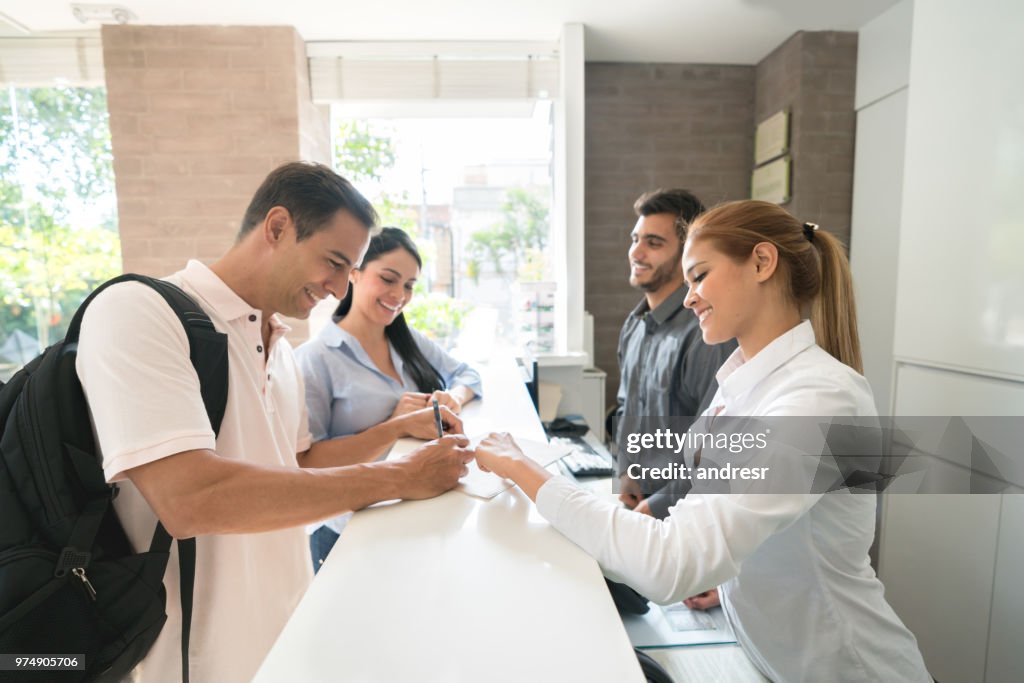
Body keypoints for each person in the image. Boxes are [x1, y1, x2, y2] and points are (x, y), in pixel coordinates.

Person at [475, 200, 932, 682]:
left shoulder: (818, 399)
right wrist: (739, 576)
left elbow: (671, 562)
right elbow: (749, 516)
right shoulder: (747, 383)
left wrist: (524, 469)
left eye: (700, 276)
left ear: (761, 262)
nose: (689, 297)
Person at [76, 162, 474, 683]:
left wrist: (396, 435)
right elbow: (189, 500)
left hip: (286, 640)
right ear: (278, 227)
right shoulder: (139, 311)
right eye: (333, 263)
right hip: (187, 659)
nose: (337, 289)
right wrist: (401, 478)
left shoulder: (282, 349)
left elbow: (301, 464)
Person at [296, 226, 481, 571]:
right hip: (348, 528)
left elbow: (469, 375)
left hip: (411, 512)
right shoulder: (316, 358)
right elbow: (308, 463)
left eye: (409, 285)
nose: (400, 294)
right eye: (389, 279)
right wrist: (395, 426)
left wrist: (452, 397)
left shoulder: (404, 339)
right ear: (354, 274)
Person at [615, 188, 735, 520]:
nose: (636, 252)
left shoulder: (706, 334)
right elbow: (627, 407)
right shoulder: (634, 325)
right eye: (635, 239)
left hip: (684, 510)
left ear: (687, 255)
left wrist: (658, 504)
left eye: (653, 243)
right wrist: (626, 469)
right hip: (635, 499)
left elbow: (715, 442)